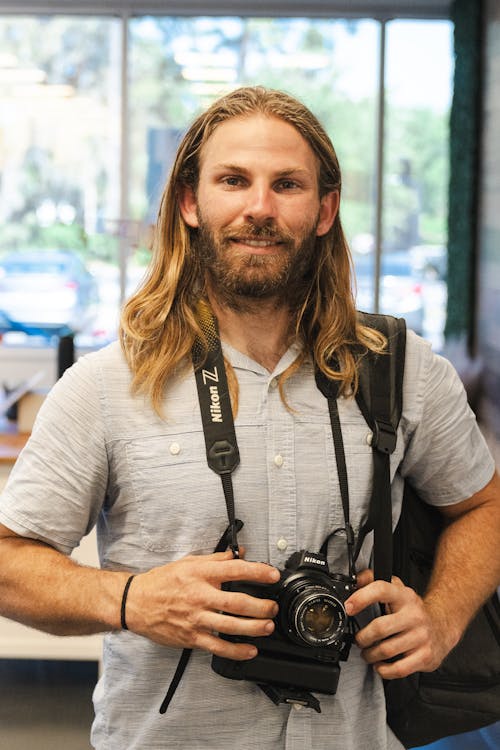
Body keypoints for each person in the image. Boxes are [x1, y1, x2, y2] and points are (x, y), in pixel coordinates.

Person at [0, 86, 499, 750]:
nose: (259, 208)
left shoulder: (400, 370)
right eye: (233, 180)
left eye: (286, 184)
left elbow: (483, 504)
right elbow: (9, 563)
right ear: (190, 203)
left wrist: (441, 617)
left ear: (325, 210)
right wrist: (133, 600)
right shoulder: (106, 384)